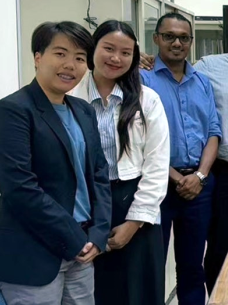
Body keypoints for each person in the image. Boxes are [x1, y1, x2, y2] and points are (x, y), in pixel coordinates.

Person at [141, 9, 228, 294]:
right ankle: (221, 298)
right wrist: (141, 60)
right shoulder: (206, 67)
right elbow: (172, 68)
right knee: (217, 247)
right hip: (221, 172)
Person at [0, 21, 111, 305]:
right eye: (60, 53)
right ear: (38, 56)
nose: (70, 65)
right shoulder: (13, 110)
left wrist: (99, 233)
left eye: (80, 58)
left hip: (83, 250)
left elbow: (99, 174)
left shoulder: (82, 110)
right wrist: (74, 239)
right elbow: (19, 188)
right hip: (32, 253)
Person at [68, 20, 170, 305]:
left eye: (126, 53)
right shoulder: (70, 96)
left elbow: (157, 166)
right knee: (95, 290)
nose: (116, 58)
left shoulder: (146, 100)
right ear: (93, 50)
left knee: (139, 292)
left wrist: (134, 222)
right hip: (85, 205)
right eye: (108, 49)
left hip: (133, 203)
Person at [140, 12, 222, 305]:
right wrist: (176, 178)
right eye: (169, 36)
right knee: (151, 265)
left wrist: (199, 176)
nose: (177, 43)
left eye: (184, 37)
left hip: (198, 188)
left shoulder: (202, 81)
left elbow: (213, 131)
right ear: (156, 39)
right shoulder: (140, 78)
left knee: (192, 266)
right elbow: (140, 140)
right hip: (155, 187)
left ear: (191, 41)